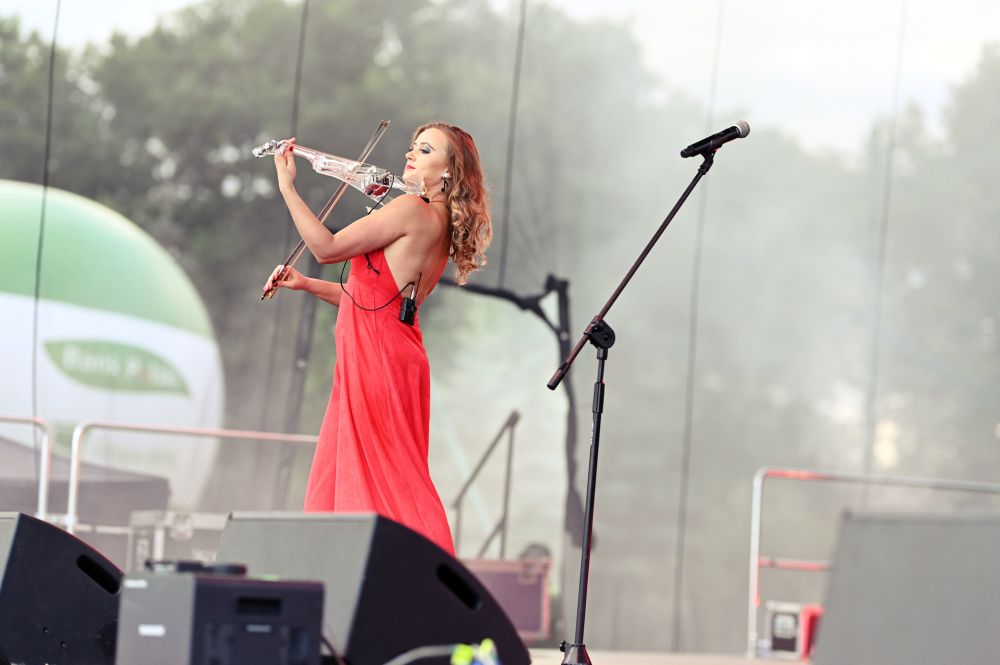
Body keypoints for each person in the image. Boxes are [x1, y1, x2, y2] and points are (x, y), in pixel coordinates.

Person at [264, 123, 492, 555]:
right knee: (383, 471)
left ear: (449, 171)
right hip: (388, 354)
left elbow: (327, 248)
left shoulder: (412, 209)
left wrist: (287, 187)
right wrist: (306, 284)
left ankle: (413, 569)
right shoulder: (439, 223)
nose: (410, 155)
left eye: (425, 150)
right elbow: (371, 301)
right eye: (412, 147)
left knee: (382, 475)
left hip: (377, 360)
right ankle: (382, 566)